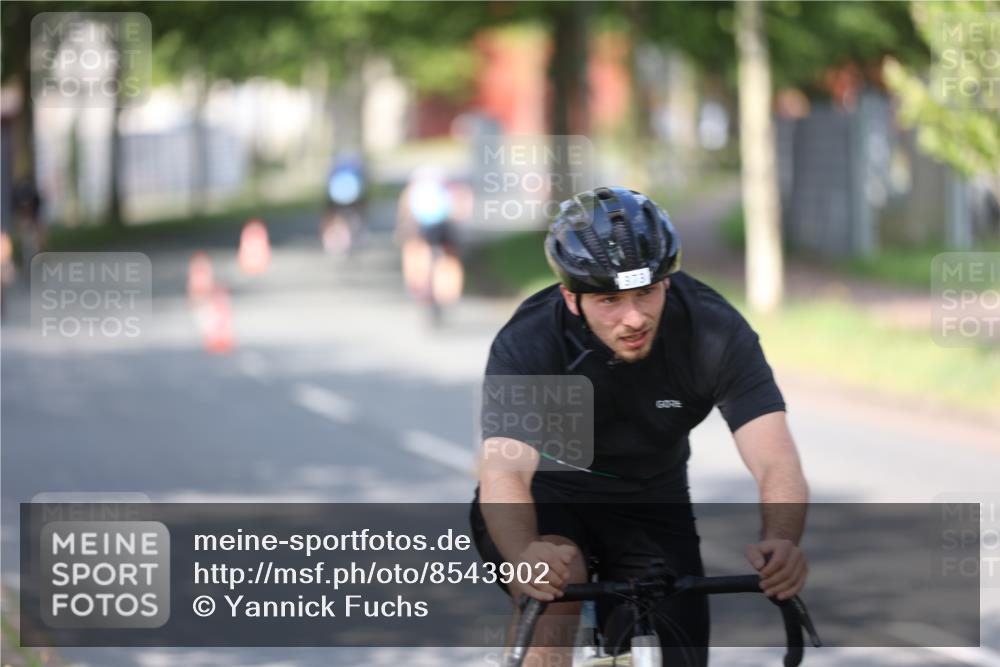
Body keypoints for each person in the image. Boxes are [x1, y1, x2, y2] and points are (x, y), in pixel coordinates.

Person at [470, 186, 809, 666]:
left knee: (682, 648)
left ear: (666, 282)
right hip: (552, 494)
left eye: (646, 292)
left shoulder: (709, 331)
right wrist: (525, 551)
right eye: (609, 299)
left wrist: (782, 541)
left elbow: (775, 458)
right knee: (557, 593)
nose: (634, 318)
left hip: (651, 498)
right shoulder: (536, 342)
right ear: (572, 299)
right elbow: (504, 475)